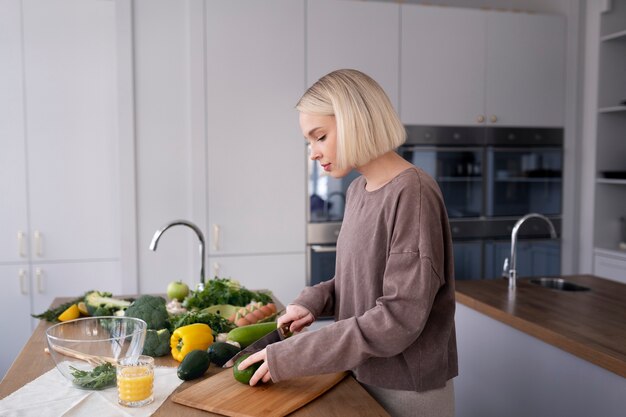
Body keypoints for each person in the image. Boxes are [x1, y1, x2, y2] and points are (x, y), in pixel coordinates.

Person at [238, 69, 458, 417]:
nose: (313, 152)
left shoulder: (412, 192)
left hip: (403, 389)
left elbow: (399, 317)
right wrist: (313, 302)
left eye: (320, 136)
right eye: (309, 141)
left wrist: (295, 354)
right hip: (361, 372)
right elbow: (360, 279)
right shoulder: (358, 190)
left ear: (356, 121)